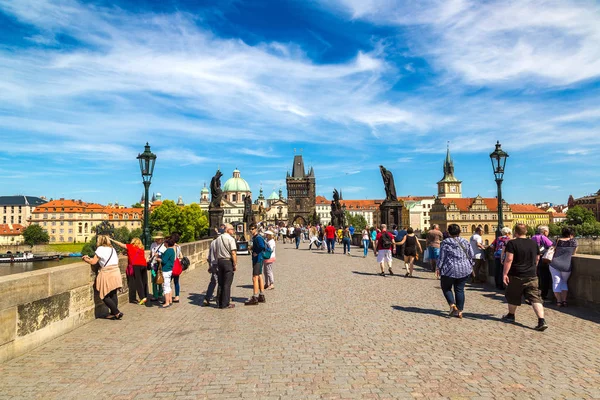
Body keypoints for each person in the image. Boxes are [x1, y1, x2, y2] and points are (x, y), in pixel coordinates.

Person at [502, 224, 548, 331]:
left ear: (515, 232)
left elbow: (509, 259)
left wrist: (505, 274)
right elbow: (537, 258)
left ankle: (511, 315)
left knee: (513, 295)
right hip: (531, 274)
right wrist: (533, 269)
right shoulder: (533, 243)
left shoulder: (512, 243)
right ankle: (541, 320)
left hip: (516, 274)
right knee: (535, 297)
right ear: (526, 231)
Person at [437, 224, 474, 318]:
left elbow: (442, 257)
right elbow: (471, 255)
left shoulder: (445, 243)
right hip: (464, 269)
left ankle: (452, 305)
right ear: (459, 232)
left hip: (449, 269)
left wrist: (438, 267)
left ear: (449, 232)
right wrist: (470, 266)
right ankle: (460, 311)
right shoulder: (465, 241)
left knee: (446, 288)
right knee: (459, 289)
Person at [82, 235, 123, 320]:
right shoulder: (112, 249)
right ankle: (113, 314)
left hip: (107, 273)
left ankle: (116, 312)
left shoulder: (100, 249)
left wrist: (86, 259)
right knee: (113, 293)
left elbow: (93, 262)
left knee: (104, 295)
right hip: (116, 271)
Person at [109, 237, 148, 305]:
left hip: (136, 265)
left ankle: (142, 297)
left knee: (138, 282)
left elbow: (120, 244)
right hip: (144, 265)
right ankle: (145, 295)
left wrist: (112, 240)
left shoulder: (130, 246)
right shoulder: (141, 248)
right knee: (143, 281)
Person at [549, 227, 578, 307]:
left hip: (555, 264)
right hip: (566, 265)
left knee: (556, 281)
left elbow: (551, 249)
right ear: (571, 234)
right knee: (564, 282)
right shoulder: (574, 242)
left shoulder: (557, 241)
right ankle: (564, 301)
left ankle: (559, 301)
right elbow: (574, 253)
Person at [213, 223, 237, 309]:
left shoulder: (218, 239)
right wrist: (235, 264)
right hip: (227, 261)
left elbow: (215, 251)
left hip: (220, 261)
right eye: (232, 229)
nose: (233, 231)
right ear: (227, 230)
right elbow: (233, 253)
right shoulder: (230, 239)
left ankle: (219, 302)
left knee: (220, 282)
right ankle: (225, 303)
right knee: (227, 283)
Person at [246, 223, 266, 305]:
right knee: (260, 277)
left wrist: (256, 252)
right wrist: (252, 248)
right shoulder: (256, 237)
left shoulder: (258, 238)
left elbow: (262, 246)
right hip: (259, 259)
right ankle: (261, 295)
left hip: (258, 259)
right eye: (250, 229)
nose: (251, 230)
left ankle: (255, 297)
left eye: (252, 229)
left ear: (256, 229)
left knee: (255, 277)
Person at [532, 226, 554, 301]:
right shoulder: (543, 237)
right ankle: (544, 295)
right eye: (547, 231)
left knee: (538, 277)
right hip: (543, 259)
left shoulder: (533, 237)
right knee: (545, 277)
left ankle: (536, 294)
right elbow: (551, 245)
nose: (548, 233)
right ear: (544, 231)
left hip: (534, 259)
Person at [157, 237, 176, 308]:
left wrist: (158, 259)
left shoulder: (168, 250)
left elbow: (164, 261)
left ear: (167, 243)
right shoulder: (172, 250)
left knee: (165, 287)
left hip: (166, 270)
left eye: (164, 242)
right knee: (168, 286)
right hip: (169, 270)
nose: (164, 243)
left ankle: (167, 302)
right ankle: (170, 300)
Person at [203, 233, 220, 306]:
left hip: (213, 264)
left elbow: (209, 257)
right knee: (221, 282)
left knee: (213, 282)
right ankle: (219, 299)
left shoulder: (212, 243)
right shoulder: (220, 243)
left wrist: (209, 266)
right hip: (219, 264)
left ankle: (207, 298)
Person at [149, 231, 165, 302]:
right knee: (154, 279)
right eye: (156, 239)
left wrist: (158, 256)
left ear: (161, 239)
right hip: (153, 265)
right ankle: (155, 295)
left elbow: (164, 256)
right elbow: (150, 253)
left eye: (158, 239)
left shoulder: (164, 246)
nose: (157, 240)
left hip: (160, 265)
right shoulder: (153, 244)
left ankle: (160, 294)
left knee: (160, 279)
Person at [170, 233, 183, 303]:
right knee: (176, 282)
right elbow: (181, 256)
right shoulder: (178, 247)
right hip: (177, 266)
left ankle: (169, 296)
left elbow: (173, 257)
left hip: (172, 266)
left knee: (169, 282)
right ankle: (177, 296)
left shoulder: (172, 246)